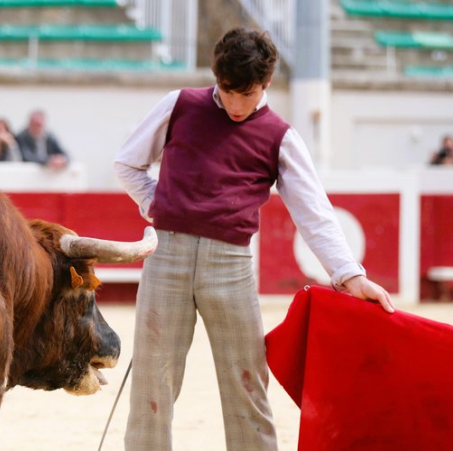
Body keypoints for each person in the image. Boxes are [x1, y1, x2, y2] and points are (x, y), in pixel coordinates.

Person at [114, 27, 395, 451]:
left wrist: (350, 275)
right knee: (152, 382)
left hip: (230, 267)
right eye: (228, 91)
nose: (235, 103)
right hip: (166, 255)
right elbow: (127, 164)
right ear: (217, 78)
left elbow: (313, 211)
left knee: (247, 383)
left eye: (246, 93)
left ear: (265, 84)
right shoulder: (181, 104)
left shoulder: (281, 136)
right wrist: (158, 204)